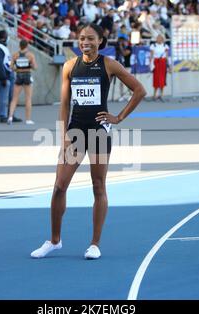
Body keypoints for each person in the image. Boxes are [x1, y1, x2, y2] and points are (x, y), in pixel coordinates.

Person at [30, 24, 146, 260]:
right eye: (82, 38)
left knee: (98, 186)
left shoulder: (109, 64)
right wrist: (63, 134)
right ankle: (54, 241)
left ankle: (94, 244)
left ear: (100, 40)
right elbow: (64, 104)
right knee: (59, 185)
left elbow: (139, 90)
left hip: (99, 132)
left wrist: (119, 117)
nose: (85, 42)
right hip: (75, 132)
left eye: (91, 38)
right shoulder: (70, 66)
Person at [0, 30, 22, 123]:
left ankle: (11, 115)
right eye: (7, 36)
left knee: (11, 97)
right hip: (5, 76)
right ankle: (2, 115)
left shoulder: (4, 47)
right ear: (4, 37)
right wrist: (3, 77)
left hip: (9, 74)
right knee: (3, 97)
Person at [7, 40, 37, 125]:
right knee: (28, 98)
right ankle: (28, 119)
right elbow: (35, 67)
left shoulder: (15, 55)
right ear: (27, 45)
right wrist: (30, 65)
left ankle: (10, 117)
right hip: (27, 75)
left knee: (14, 98)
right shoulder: (30, 55)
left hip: (19, 75)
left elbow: (11, 67)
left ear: (19, 46)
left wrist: (17, 69)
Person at [149, 34, 169, 101]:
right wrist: (150, 64)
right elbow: (151, 56)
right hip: (156, 63)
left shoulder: (165, 46)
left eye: (161, 38)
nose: (159, 39)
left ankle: (161, 94)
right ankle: (154, 94)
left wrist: (168, 65)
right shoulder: (153, 46)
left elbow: (166, 57)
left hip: (162, 63)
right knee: (156, 78)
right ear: (156, 39)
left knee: (162, 78)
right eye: (158, 38)